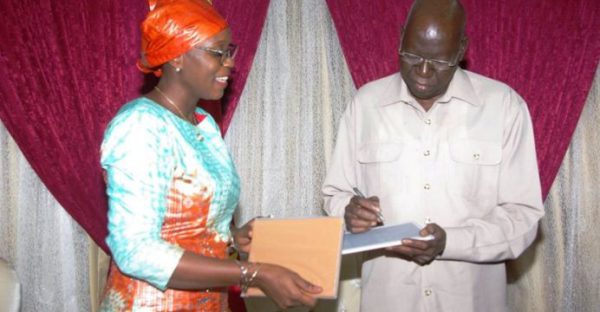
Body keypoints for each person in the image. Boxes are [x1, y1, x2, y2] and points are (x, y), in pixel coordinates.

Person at [99, 0, 322, 310]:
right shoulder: (139, 126)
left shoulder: (204, 124)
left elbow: (188, 228)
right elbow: (135, 251)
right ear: (177, 56)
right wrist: (252, 273)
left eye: (229, 52)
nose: (229, 63)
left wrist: (230, 239)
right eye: (218, 52)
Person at [322, 0, 544, 311]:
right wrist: (349, 212)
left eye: (439, 61)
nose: (423, 71)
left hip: (471, 302)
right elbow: (336, 195)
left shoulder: (504, 107)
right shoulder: (365, 105)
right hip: (388, 301)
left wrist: (450, 242)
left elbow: (523, 218)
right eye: (412, 55)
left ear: (461, 49)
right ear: (401, 38)